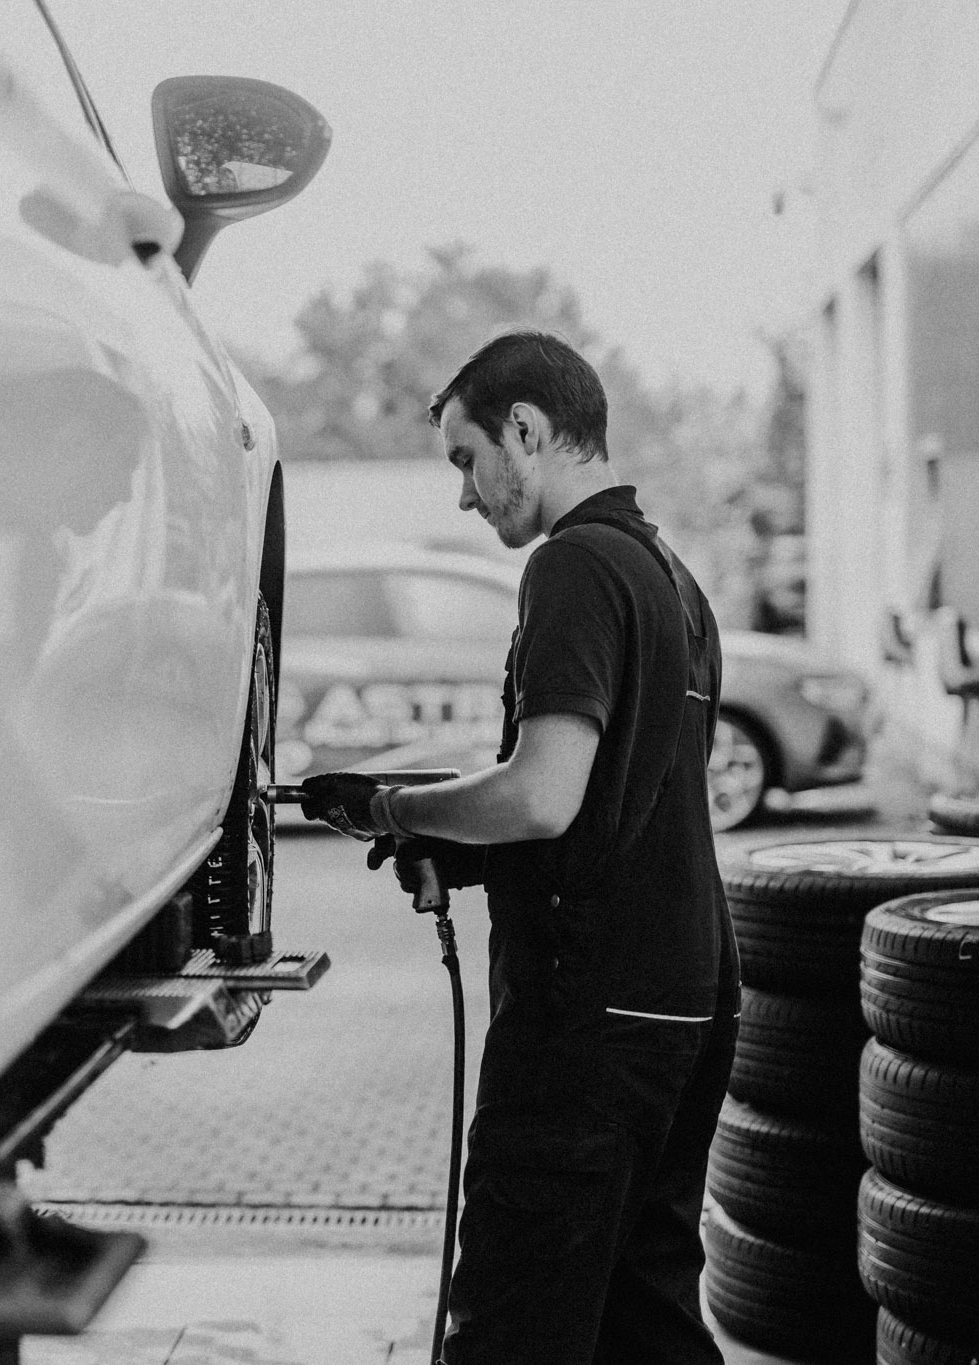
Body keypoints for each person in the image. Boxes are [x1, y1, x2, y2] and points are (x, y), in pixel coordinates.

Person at [299, 331, 739, 1364]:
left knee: (515, 1325)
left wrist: (392, 813)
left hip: (584, 1028)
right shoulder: (671, 577)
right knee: (644, 1318)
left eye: (465, 459)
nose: (462, 495)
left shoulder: (573, 565)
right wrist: (467, 850)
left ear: (527, 433)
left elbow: (542, 795)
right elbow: (620, 804)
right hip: (689, 1002)